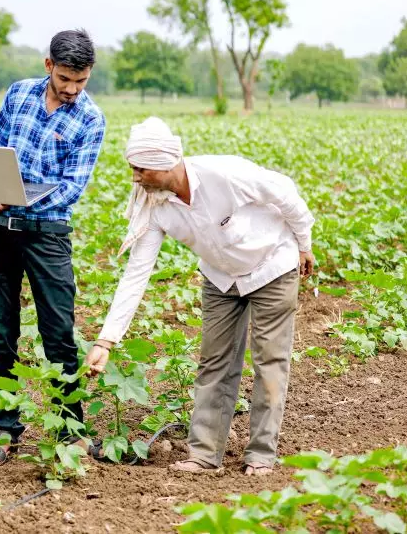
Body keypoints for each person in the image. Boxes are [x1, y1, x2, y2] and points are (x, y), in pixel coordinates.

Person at [83, 117, 315, 475]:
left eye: (140, 168)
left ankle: (261, 456)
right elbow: (136, 274)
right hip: (221, 277)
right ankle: (204, 455)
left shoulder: (224, 174)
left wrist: (304, 245)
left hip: (272, 265)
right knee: (214, 364)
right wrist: (106, 340)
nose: (135, 177)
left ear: (165, 163)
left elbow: (284, 194)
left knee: (270, 361)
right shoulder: (154, 205)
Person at [0, 29, 106, 466]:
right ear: (49, 65)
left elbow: (71, 188)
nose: (71, 89)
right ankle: (4, 431)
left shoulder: (90, 120)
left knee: (58, 334)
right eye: (65, 78)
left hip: (47, 236)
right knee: (0, 333)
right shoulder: (19, 94)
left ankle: (71, 430)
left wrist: (21, 198)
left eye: (80, 81)